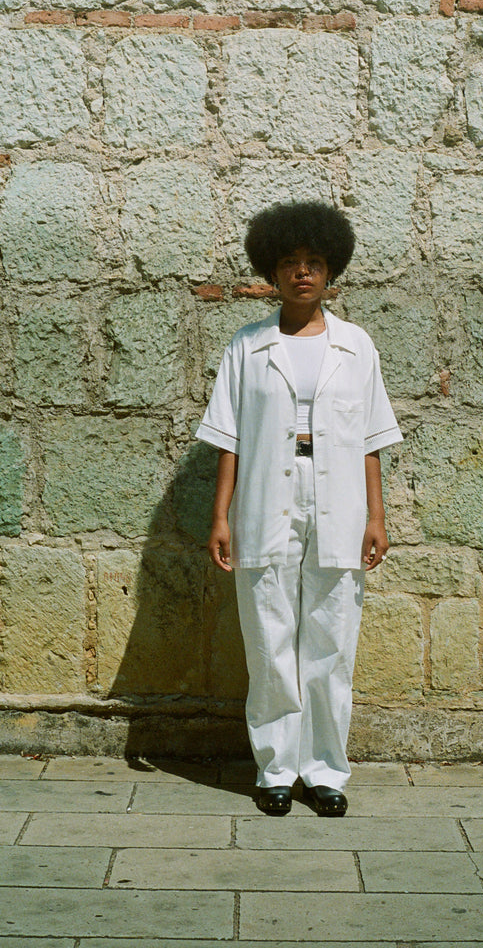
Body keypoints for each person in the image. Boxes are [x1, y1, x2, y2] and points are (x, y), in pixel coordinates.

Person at [196, 201, 402, 817]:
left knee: (332, 639)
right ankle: (276, 769)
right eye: (291, 263)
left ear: (331, 269)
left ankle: (325, 771)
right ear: (273, 271)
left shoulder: (356, 346)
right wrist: (221, 517)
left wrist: (376, 517)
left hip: (337, 498)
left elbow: (370, 438)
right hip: (266, 498)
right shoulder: (248, 345)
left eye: (314, 262)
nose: (303, 273)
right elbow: (229, 439)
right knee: (269, 634)